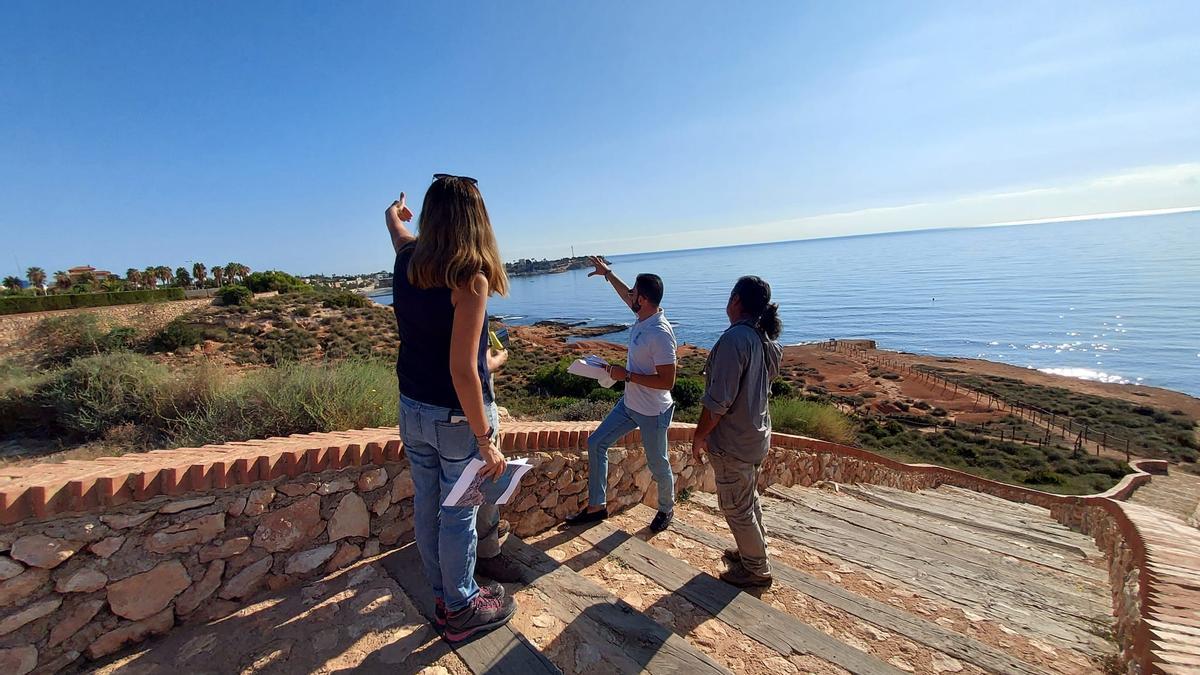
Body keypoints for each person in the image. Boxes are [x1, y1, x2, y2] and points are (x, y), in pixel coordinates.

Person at [387, 174, 518, 642]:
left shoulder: (407, 261)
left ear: (431, 216)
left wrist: (393, 213)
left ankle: (444, 595)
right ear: (475, 220)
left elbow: (399, 231)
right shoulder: (470, 277)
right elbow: (463, 370)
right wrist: (487, 443)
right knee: (459, 512)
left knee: (427, 505)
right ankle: (461, 607)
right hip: (457, 420)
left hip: (413, 409)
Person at [565, 256, 678, 533]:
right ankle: (597, 507)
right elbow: (623, 292)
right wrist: (608, 274)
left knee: (657, 462)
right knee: (596, 443)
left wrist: (625, 375)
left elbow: (667, 382)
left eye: (635, 293)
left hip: (653, 411)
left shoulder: (660, 333)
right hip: (629, 403)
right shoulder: (643, 315)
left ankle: (667, 508)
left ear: (645, 299)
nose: (630, 295)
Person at [691, 276, 783, 588]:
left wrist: (699, 435)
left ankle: (756, 569)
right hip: (757, 437)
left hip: (734, 442)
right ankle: (752, 552)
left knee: (736, 507)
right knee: (748, 500)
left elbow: (718, 401)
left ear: (736, 301)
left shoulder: (735, 341)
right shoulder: (763, 339)